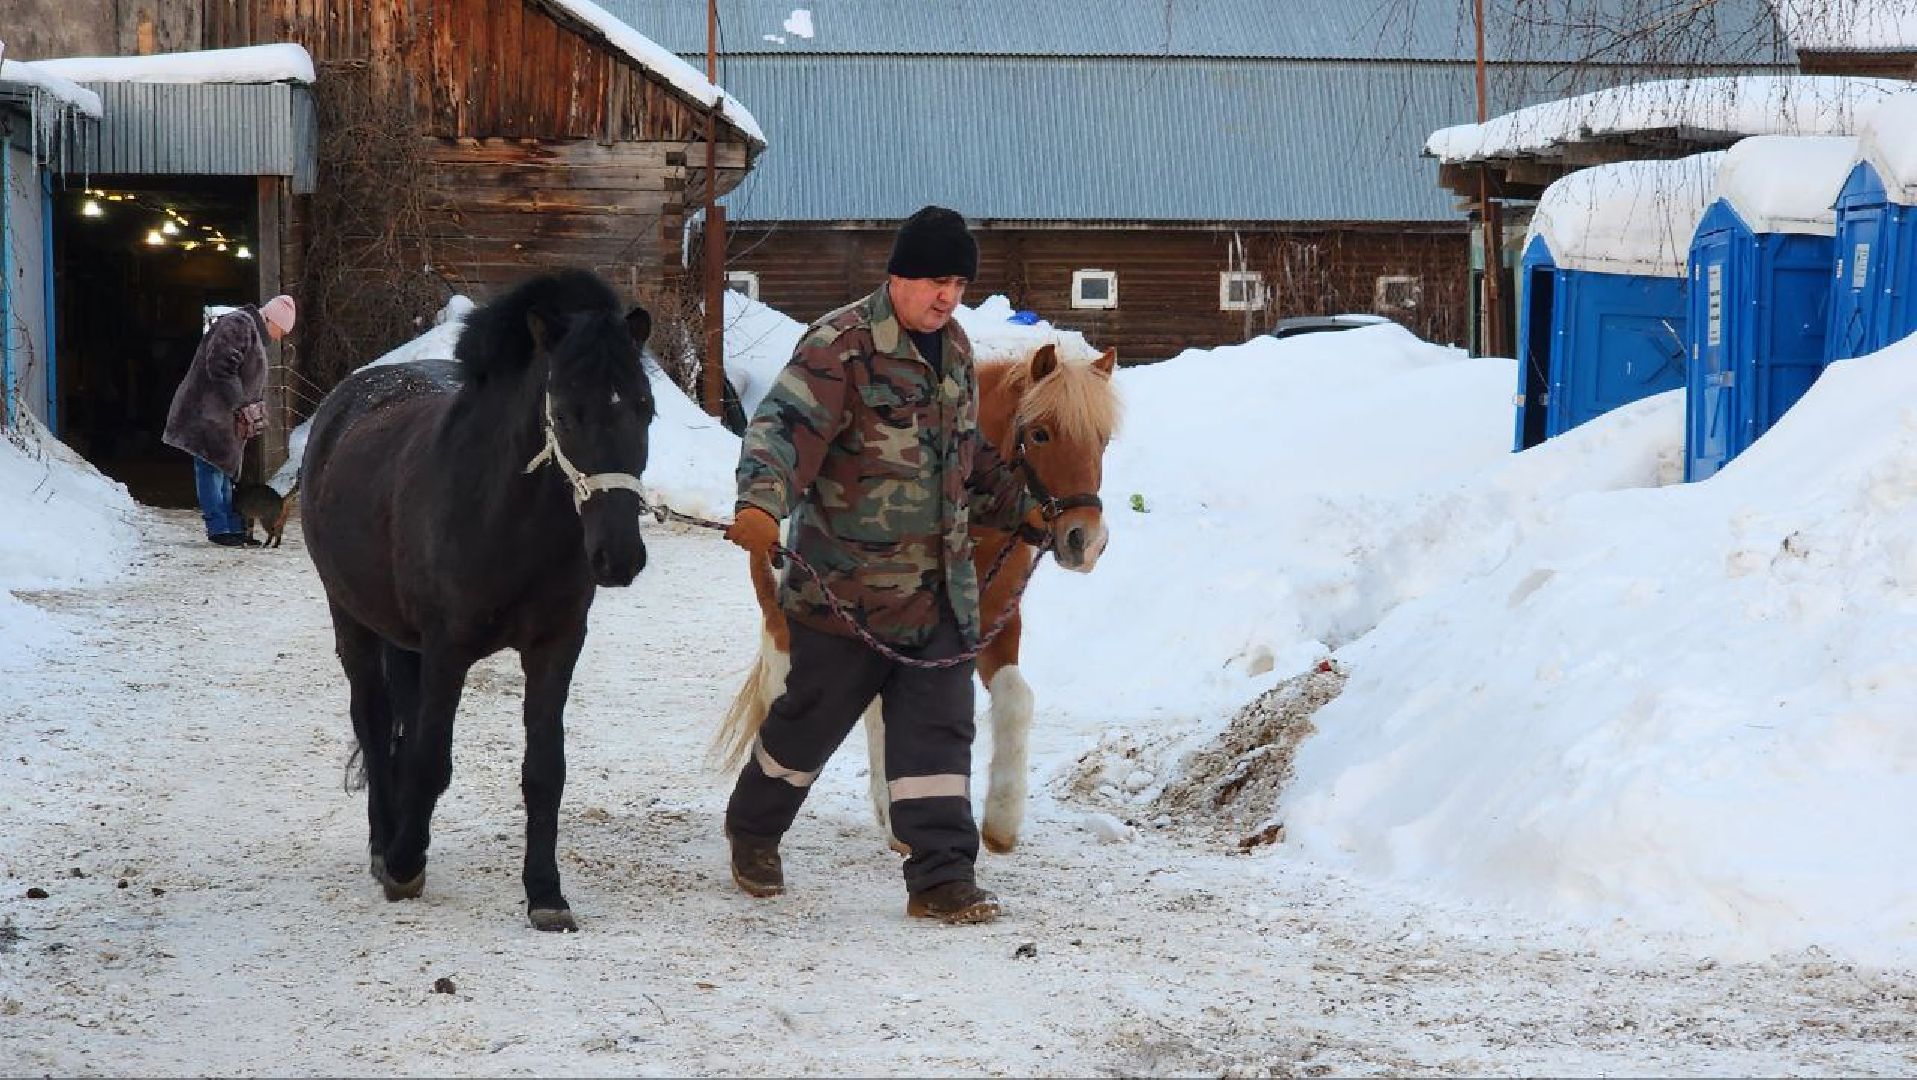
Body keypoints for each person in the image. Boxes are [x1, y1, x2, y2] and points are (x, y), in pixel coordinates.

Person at [721, 206, 1041, 925]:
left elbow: (968, 457)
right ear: (897, 276)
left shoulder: (954, 348)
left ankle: (940, 877)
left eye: (957, 282)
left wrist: (1020, 506)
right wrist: (760, 505)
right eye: (934, 281)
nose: (947, 297)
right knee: (807, 727)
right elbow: (781, 429)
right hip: (848, 594)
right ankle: (753, 829)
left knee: (939, 736)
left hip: (940, 597)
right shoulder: (841, 345)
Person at [163, 295, 295, 546]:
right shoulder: (239, 325)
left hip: (226, 417)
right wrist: (242, 403)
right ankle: (220, 528)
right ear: (272, 320)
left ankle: (233, 527)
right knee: (211, 468)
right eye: (282, 330)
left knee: (224, 471)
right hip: (209, 413)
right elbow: (221, 366)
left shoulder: (251, 331)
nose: (280, 337)